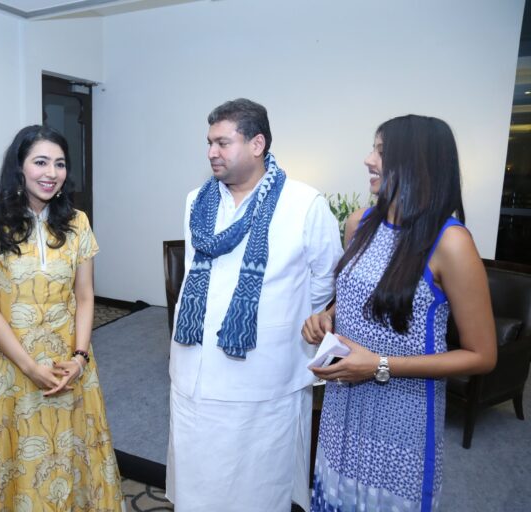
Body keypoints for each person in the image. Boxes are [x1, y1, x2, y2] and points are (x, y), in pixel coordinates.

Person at [302, 115, 497, 511]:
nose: (367, 160)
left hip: (402, 414)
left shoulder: (451, 243)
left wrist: (378, 364)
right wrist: (329, 316)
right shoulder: (360, 223)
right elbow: (363, 296)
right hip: (344, 404)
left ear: (418, 164)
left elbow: (482, 355)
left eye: (382, 152)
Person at [166, 98, 343, 512]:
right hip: (194, 366)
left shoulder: (303, 203)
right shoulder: (197, 201)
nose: (211, 152)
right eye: (209, 142)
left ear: (257, 143)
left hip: (265, 372)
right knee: (198, 474)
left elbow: (327, 278)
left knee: (258, 482)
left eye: (223, 142)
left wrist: (283, 318)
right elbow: (196, 269)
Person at [0, 125, 124, 511]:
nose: (51, 173)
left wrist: (80, 358)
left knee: (67, 451)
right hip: (7, 364)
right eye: (40, 162)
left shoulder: (77, 222)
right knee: (11, 456)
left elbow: (84, 296)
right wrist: (29, 366)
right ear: (19, 168)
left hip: (68, 359)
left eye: (60, 164)